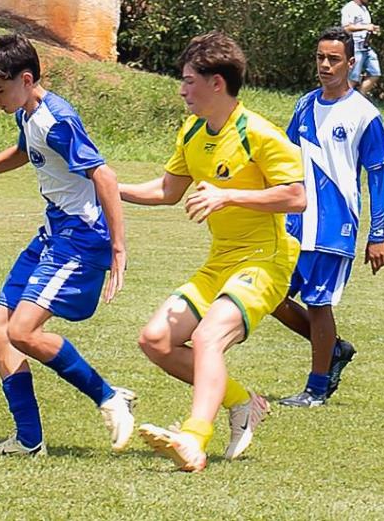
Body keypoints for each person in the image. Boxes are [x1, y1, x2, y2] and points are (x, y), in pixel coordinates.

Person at [0, 34, 135, 456]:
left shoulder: (58, 120)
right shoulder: (29, 115)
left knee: (22, 331)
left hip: (80, 239)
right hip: (52, 234)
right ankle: (29, 439)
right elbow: (24, 151)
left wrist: (119, 248)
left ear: (26, 78)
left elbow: (105, 178)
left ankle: (110, 397)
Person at [119, 32, 306, 473]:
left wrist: (228, 196)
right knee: (156, 341)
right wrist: (109, 186)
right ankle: (242, 402)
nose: (182, 90)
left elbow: (296, 196)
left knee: (206, 338)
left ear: (216, 83)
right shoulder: (192, 132)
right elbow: (167, 191)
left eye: (188, 81)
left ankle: (193, 439)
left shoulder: (259, 134)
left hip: (266, 258)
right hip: (221, 259)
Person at [275, 26, 384, 408]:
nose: (325, 65)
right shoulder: (304, 104)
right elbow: (285, 156)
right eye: (321, 58)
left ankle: (317, 388)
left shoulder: (364, 115)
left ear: (351, 63)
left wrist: (378, 235)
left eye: (334, 59)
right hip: (296, 220)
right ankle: (333, 349)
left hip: (335, 224)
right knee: (271, 295)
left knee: (319, 303)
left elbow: (378, 176)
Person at [340, 0, 383, 96]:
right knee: (353, 78)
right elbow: (347, 28)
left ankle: (360, 98)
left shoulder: (364, 9)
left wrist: (372, 29)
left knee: (375, 73)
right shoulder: (349, 8)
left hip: (366, 47)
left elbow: (365, 26)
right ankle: (343, 100)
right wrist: (366, 27)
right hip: (355, 48)